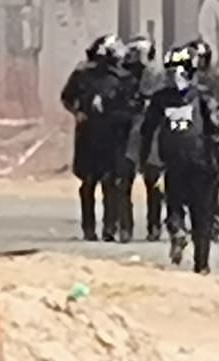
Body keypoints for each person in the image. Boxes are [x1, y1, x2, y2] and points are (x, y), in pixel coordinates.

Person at [142, 43, 219, 275]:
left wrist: (147, 163)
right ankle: (202, 265)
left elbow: (147, 131)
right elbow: (215, 133)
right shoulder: (203, 97)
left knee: (175, 205)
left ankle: (177, 231)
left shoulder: (159, 99)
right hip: (201, 164)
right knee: (202, 215)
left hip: (173, 163)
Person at [61, 34, 123, 241]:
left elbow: (127, 104)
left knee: (110, 182)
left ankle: (109, 227)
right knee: (88, 182)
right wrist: (77, 112)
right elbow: (67, 97)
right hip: (88, 134)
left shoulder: (119, 78)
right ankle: (89, 227)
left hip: (111, 135)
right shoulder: (82, 75)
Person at [187, 37, 219, 241]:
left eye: (199, 58)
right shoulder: (181, 79)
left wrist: (215, 120)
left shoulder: (214, 79)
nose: (197, 62)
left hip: (209, 130)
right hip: (186, 132)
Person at [123, 35, 167, 242]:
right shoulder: (123, 76)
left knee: (153, 181)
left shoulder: (156, 74)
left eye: (136, 53)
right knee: (124, 181)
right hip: (129, 134)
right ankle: (125, 227)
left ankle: (154, 225)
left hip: (151, 133)